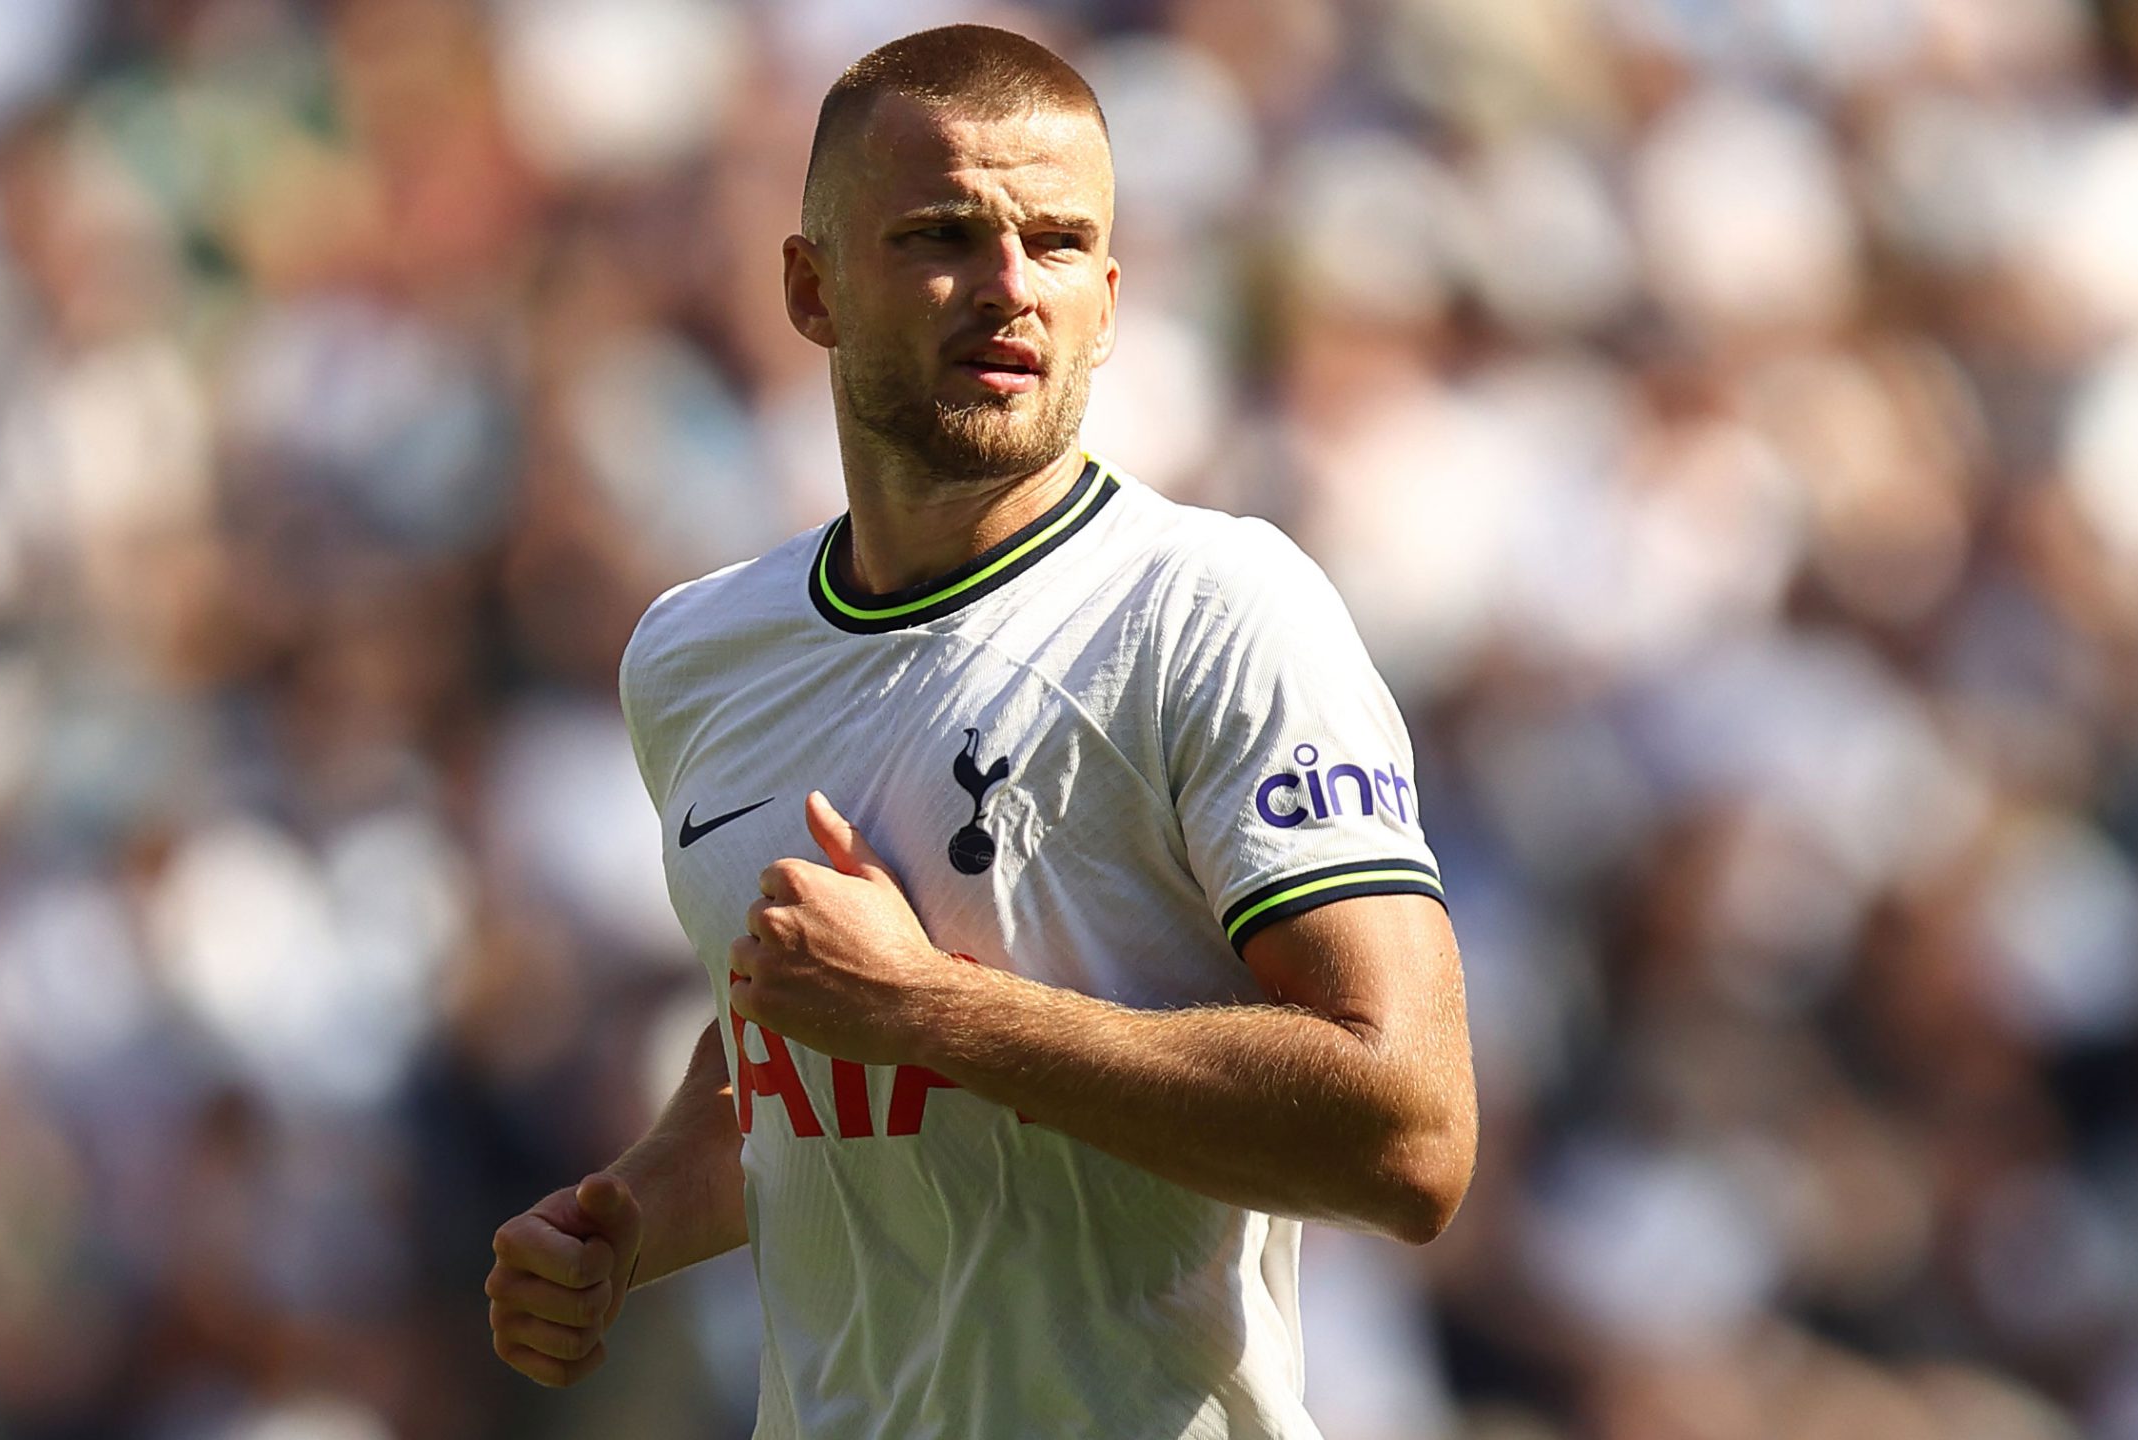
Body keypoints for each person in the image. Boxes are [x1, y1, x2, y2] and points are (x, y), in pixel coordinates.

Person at [484, 23, 1477, 1438]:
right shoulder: (696, 658)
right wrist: (628, 1219)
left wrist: (932, 1011)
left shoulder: (1212, 610)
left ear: (1110, 300)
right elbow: (791, 1051)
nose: (1011, 286)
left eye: (1060, 243)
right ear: (812, 287)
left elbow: (1411, 1133)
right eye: (943, 236)